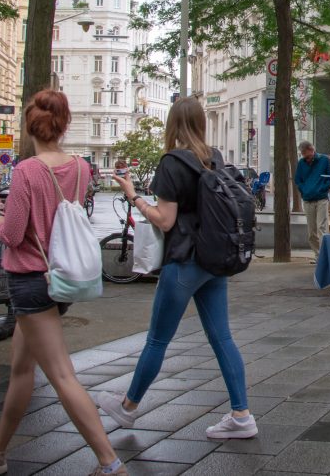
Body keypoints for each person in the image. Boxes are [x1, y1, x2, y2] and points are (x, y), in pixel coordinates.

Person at [0, 90, 126, 476]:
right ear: (64, 124)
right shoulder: (79, 168)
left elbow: (12, 234)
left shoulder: (27, 171)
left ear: (30, 126)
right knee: (22, 368)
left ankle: (109, 463)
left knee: (60, 375)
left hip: (29, 280)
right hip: (61, 277)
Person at [98, 97, 256, 441]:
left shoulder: (171, 162)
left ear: (172, 124)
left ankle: (127, 407)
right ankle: (241, 414)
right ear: (201, 123)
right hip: (214, 261)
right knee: (222, 337)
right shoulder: (212, 157)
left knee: (157, 340)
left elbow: (165, 220)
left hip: (185, 262)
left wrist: (134, 197)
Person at [295, 140, 330, 262]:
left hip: (321, 198)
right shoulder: (301, 163)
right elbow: (298, 180)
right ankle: (317, 255)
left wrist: (323, 189)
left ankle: (324, 256)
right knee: (311, 231)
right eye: (303, 155)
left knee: (322, 227)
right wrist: (304, 190)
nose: (306, 158)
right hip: (308, 199)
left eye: (307, 154)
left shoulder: (324, 160)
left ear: (312, 150)